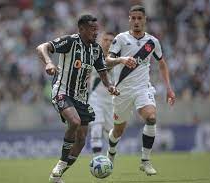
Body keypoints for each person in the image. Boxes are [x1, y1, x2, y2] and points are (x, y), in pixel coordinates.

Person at [36, 14, 119, 183]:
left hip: (81, 98)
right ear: (81, 29)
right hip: (62, 91)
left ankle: (56, 176)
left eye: (97, 29)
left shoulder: (95, 50)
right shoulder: (70, 42)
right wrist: (49, 62)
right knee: (74, 122)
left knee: (81, 140)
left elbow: (103, 73)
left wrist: (109, 86)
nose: (96, 32)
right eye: (92, 29)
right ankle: (60, 164)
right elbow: (41, 47)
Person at [106, 5, 176, 176]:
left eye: (140, 18)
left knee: (151, 118)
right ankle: (111, 153)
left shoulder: (153, 42)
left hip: (142, 88)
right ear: (129, 19)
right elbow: (107, 60)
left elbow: (162, 64)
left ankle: (145, 161)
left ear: (145, 20)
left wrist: (169, 88)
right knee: (118, 130)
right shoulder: (120, 39)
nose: (136, 21)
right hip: (121, 91)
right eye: (133, 18)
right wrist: (122, 60)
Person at [88, 32, 115, 156]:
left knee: (111, 134)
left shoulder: (119, 59)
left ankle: (109, 159)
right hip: (96, 98)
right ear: (101, 41)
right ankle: (97, 159)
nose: (108, 42)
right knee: (96, 127)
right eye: (106, 39)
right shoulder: (93, 56)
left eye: (111, 40)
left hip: (112, 101)